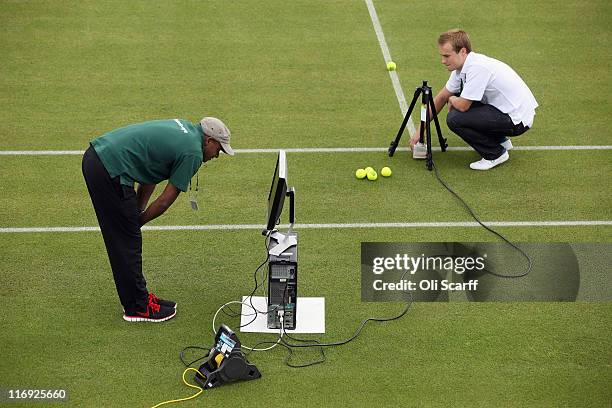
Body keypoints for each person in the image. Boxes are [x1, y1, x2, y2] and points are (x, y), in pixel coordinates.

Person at [82, 117, 234, 322]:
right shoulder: (193, 153)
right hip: (109, 169)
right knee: (126, 241)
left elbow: (150, 174)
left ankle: (139, 298)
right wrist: (137, 223)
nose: (217, 155)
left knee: (128, 236)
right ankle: (138, 307)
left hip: (98, 157)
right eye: (219, 149)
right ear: (208, 141)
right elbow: (164, 201)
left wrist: (137, 212)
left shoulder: (184, 129)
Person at [411, 29, 538, 170]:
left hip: (518, 121)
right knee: (460, 97)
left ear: (463, 51)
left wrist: (452, 100)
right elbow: (440, 98)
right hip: (506, 111)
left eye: (447, 56)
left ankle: (495, 153)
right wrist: (419, 131)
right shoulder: (461, 68)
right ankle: (499, 141)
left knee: (455, 118)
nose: (443, 61)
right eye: (442, 56)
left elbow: (463, 106)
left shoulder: (477, 68)